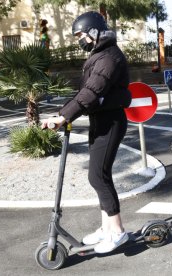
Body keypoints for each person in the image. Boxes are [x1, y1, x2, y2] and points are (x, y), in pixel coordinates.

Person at [42, 11, 132, 253]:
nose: (79, 40)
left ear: (93, 32)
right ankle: (106, 229)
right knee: (99, 175)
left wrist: (65, 116)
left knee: (98, 176)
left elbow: (91, 92)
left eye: (80, 35)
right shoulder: (100, 54)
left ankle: (118, 231)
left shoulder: (109, 57)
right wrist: (61, 113)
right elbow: (85, 93)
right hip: (101, 121)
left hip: (110, 123)